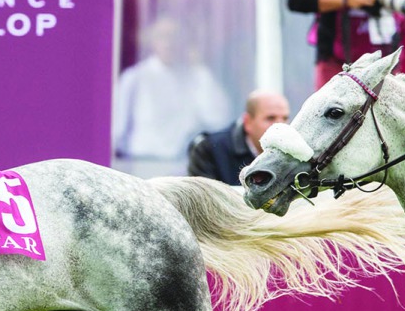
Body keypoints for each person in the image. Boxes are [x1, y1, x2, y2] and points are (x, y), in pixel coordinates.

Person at [112, 17, 231, 178]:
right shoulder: (135, 77)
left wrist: (198, 69)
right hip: (142, 165)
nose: (169, 43)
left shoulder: (197, 76)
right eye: (162, 36)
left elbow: (217, 119)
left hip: (183, 166)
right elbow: (118, 129)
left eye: (174, 36)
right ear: (151, 40)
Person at [187, 91, 290, 185]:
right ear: (248, 122)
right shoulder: (208, 151)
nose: (280, 125)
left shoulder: (296, 156)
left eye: (285, 118)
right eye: (270, 118)